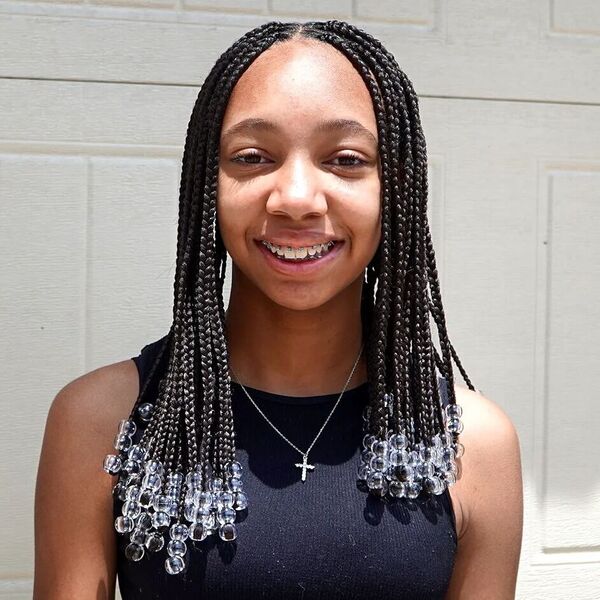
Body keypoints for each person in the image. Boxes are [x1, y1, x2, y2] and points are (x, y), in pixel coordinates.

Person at [34, 20, 523, 599]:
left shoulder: (473, 444)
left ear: (396, 188)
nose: (295, 197)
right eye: (251, 156)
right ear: (205, 186)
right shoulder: (98, 422)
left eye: (344, 159)